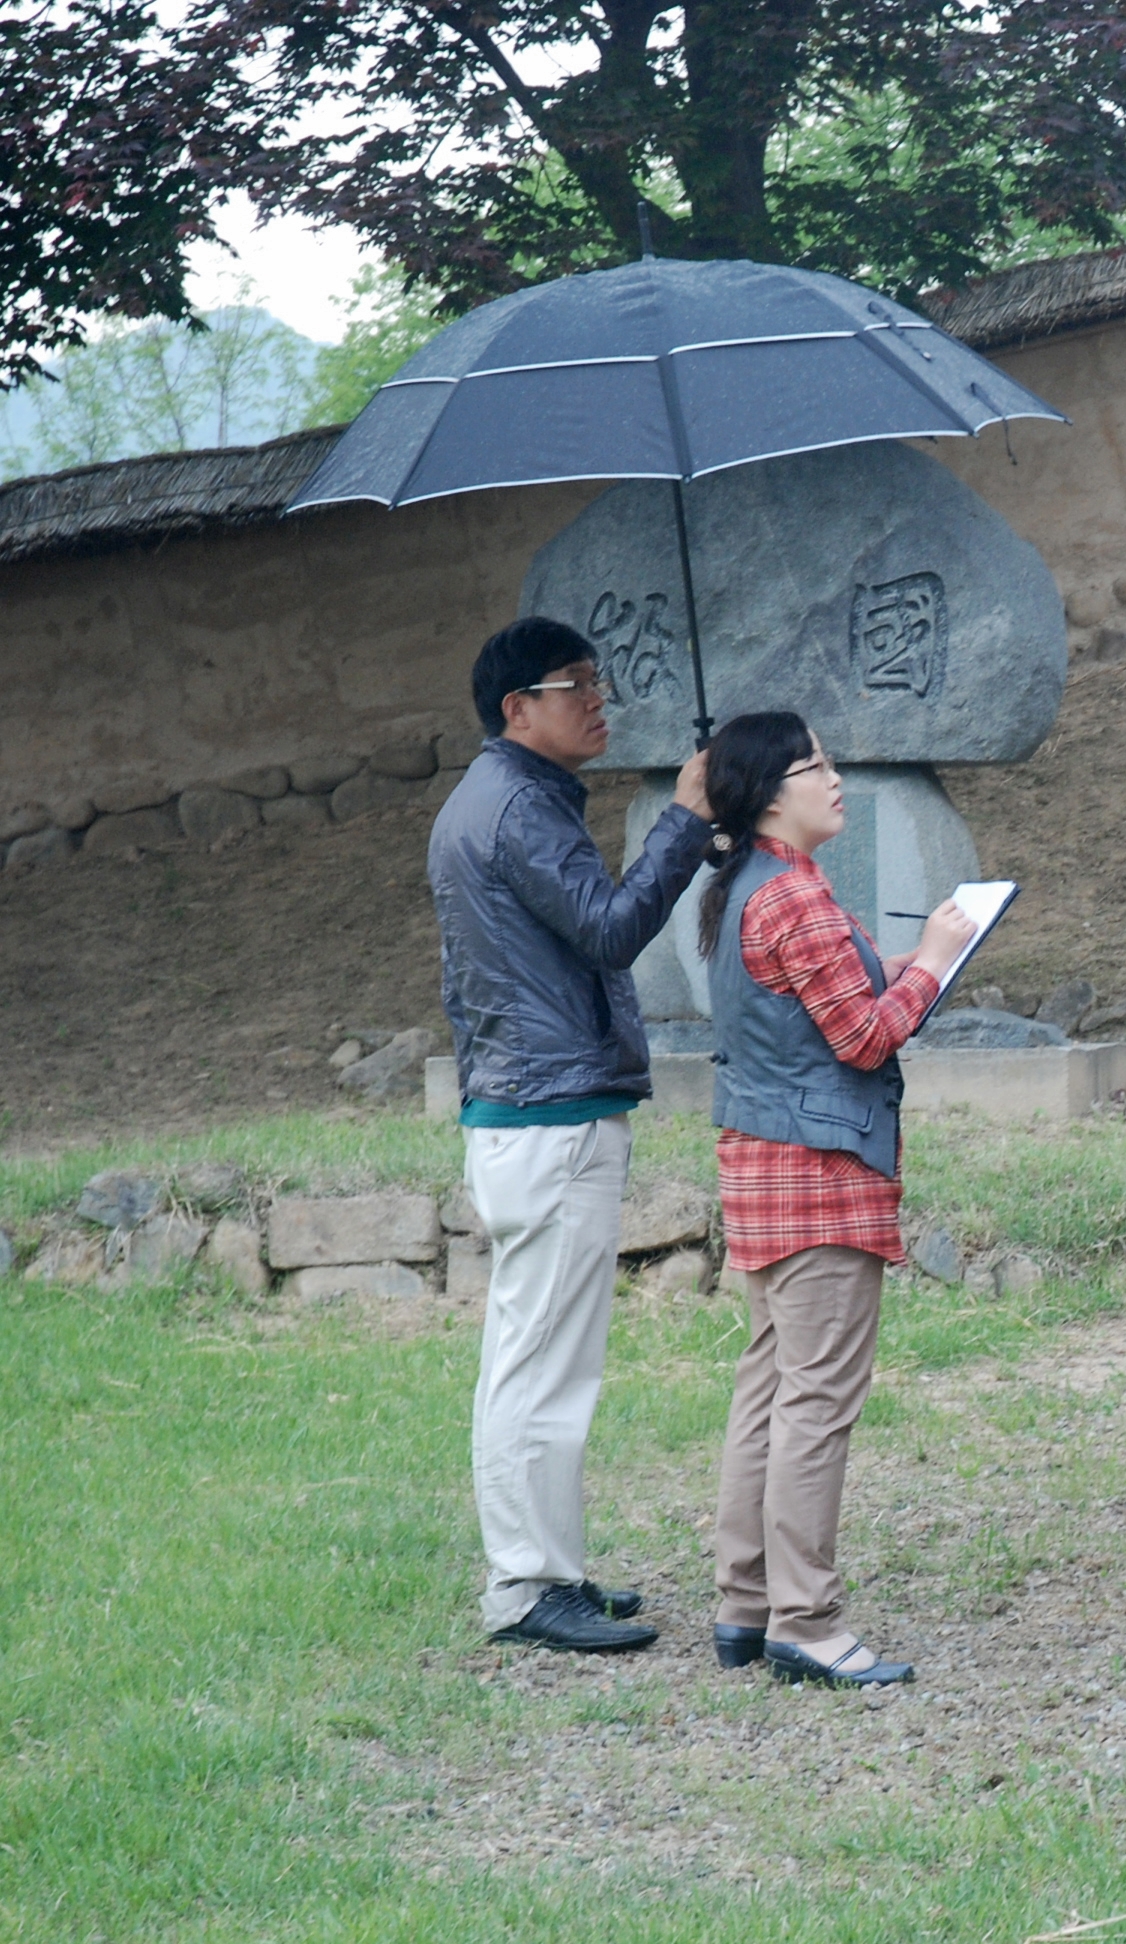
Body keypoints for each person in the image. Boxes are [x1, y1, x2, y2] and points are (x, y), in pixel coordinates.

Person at [430, 616, 714, 1652]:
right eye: (575, 685)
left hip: (534, 1113)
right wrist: (685, 820)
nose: (598, 699)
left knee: (541, 1360)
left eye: (599, 680)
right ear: (518, 709)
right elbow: (609, 929)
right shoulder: (516, 808)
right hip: (548, 1122)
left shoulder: (503, 799)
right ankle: (526, 1591)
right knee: (539, 1368)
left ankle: (552, 1572)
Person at [695, 711, 978, 1689]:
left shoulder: (747, 889)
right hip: (821, 1180)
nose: (835, 778)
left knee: (771, 1390)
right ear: (772, 791)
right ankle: (805, 1622)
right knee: (814, 1404)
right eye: (815, 764)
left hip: (764, 1172)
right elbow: (862, 1038)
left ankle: (745, 1603)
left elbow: (821, 1011)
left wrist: (912, 967)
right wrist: (938, 957)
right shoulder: (796, 899)